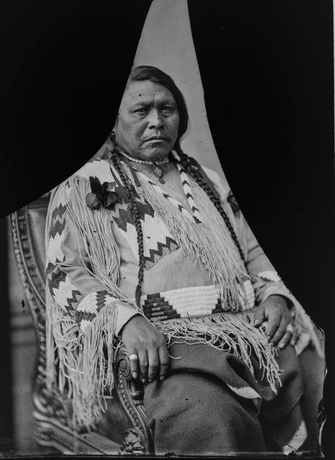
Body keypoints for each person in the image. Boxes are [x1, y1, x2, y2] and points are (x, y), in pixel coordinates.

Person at [45, 65, 323, 455]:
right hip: (162, 345)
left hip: (246, 333)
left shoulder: (208, 181)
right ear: (112, 121)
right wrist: (127, 322)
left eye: (167, 109)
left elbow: (257, 251)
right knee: (209, 416)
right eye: (140, 111)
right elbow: (64, 274)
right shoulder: (86, 184)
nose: (157, 121)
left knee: (318, 377)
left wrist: (276, 295)